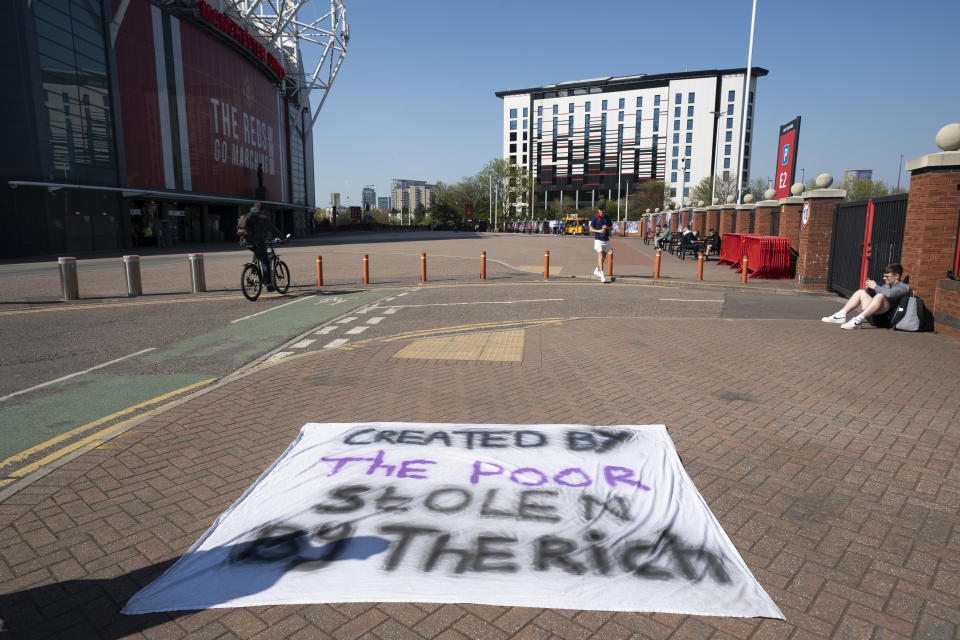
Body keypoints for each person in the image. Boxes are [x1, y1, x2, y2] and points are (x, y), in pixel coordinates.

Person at [821, 263, 910, 330]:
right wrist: (870, 289)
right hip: (874, 315)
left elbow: (890, 294)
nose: (884, 278)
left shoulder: (903, 287)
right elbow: (875, 296)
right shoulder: (887, 286)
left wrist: (875, 286)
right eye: (884, 276)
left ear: (897, 276)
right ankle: (840, 315)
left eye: (887, 276)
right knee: (861, 292)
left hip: (885, 319)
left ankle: (857, 320)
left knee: (880, 296)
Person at [244, 203, 283, 291]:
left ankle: (253, 271)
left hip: (246, 242)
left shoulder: (247, 216)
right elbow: (274, 229)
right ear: (263, 210)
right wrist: (283, 238)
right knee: (265, 262)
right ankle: (268, 284)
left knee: (257, 253)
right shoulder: (263, 218)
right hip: (258, 241)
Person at [589, 203, 612, 283]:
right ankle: (602, 275)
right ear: (598, 211)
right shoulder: (595, 219)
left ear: (605, 210)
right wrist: (598, 231)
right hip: (598, 240)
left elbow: (611, 228)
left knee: (603, 258)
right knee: (600, 256)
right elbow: (591, 229)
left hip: (606, 240)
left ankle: (596, 270)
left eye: (603, 210)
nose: (601, 211)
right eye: (600, 210)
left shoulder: (608, 218)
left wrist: (607, 227)